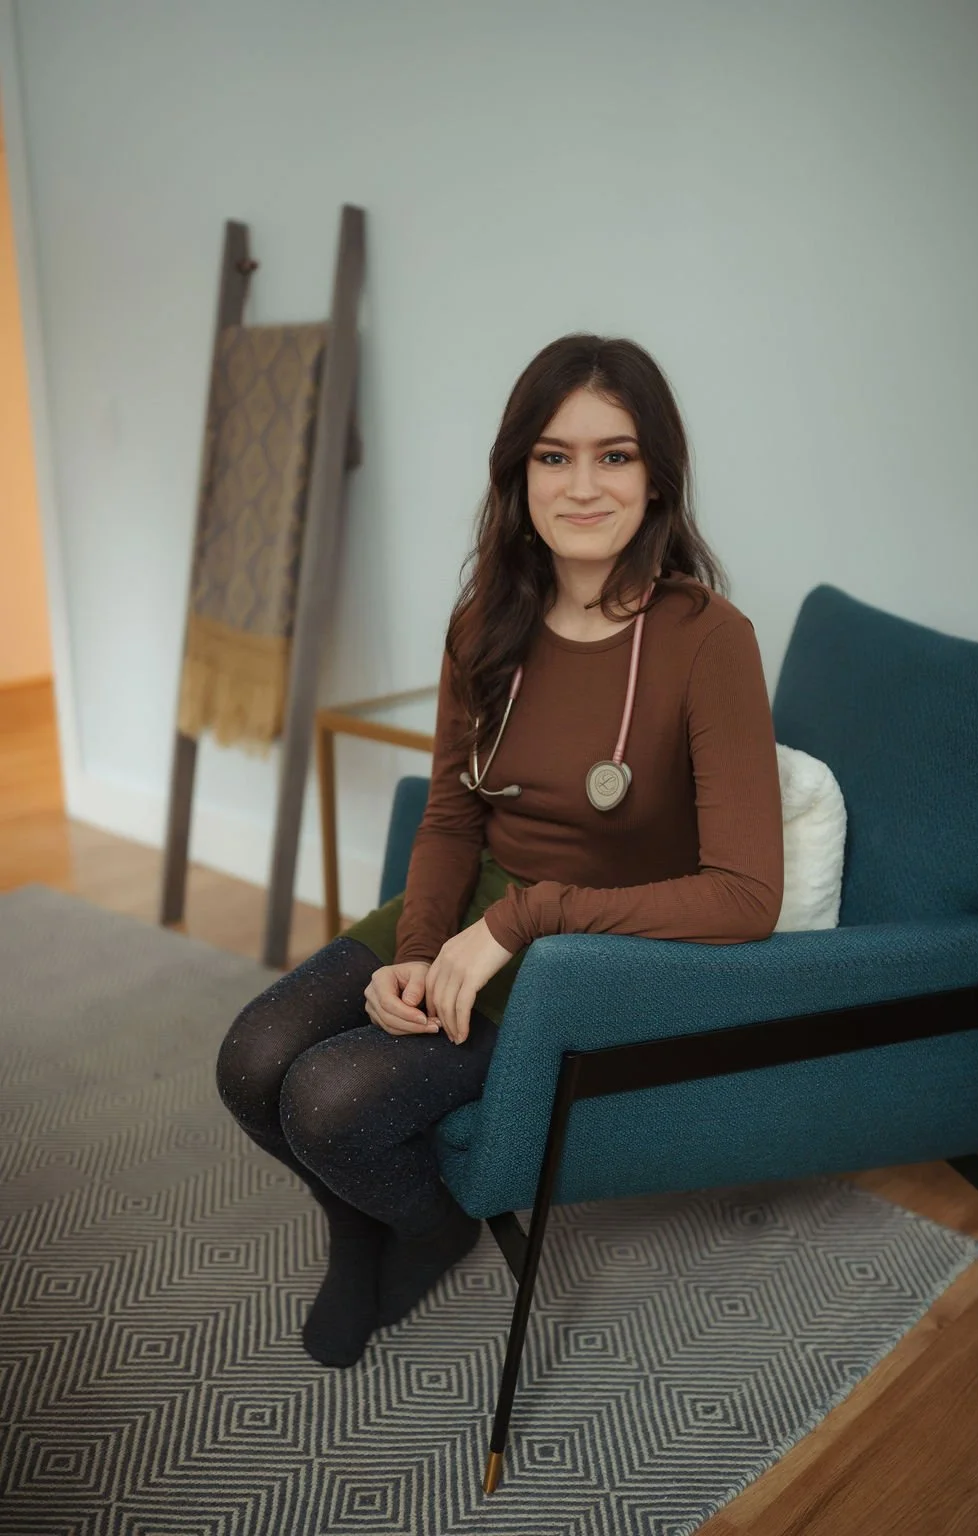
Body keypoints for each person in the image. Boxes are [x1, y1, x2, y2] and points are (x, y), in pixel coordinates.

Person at [216, 332, 785, 1369]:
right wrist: (417, 949)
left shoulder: (710, 638)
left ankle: (431, 1227)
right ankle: (365, 1225)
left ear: (656, 473)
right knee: (253, 1061)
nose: (582, 486)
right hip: (479, 905)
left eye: (614, 455)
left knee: (328, 1100)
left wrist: (518, 920)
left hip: (598, 950)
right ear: (517, 470)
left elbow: (746, 897)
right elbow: (450, 819)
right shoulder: (484, 623)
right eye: (553, 456)